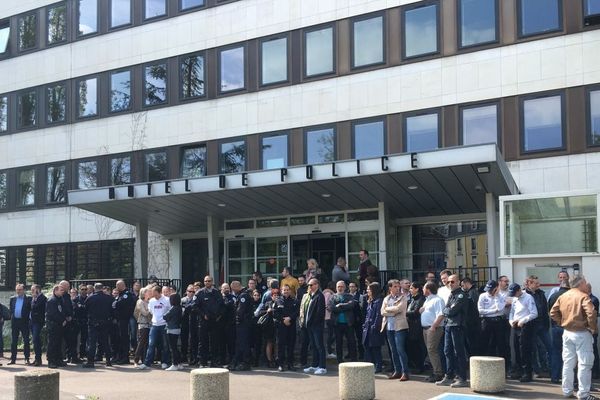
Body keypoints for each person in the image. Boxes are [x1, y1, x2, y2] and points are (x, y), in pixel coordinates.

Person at [550, 275, 597, 400]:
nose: (586, 284)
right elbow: (591, 313)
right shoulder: (583, 296)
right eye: (585, 282)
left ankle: (567, 391)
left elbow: (553, 312)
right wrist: (592, 328)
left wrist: (562, 323)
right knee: (584, 364)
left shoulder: (563, 295)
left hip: (567, 332)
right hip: (582, 332)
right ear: (580, 283)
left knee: (568, 363)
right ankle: (584, 394)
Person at [436, 274, 469, 388]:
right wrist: (447, 310)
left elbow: (451, 311)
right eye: (449, 282)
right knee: (447, 351)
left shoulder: (461, 295)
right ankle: (449, 376)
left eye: (452, 282)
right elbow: (445, 309)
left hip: (457, 326)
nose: (450, 284)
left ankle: (462, 377)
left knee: (458, 352)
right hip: (448, 325)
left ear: (458, 282)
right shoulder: (452, 295)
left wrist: (447, 310)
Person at [508, 283, 538, 382]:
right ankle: (518, 371)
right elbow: (512, 312)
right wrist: (511, 321)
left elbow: (534, 313)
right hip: (515, 325)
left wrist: (523, 320)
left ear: (519, 290)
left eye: (514, 293)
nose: (514, 295)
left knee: (524, 350)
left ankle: (527, 373)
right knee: (515, 348)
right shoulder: (515, 299)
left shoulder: (528, 298)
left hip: (524, 326)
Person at [381, 279, 410, 381]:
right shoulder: (386, 298)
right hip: (389, 327)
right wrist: (391, 310)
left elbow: (399, 309)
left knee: (400, 350)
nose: (398, 288)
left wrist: (389, 309)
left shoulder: (403, 297)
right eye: (395, 287)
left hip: (400, 327)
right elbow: (382, 312)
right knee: (393, 351)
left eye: (398, 286)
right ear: (390, 288)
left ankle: (405, 372)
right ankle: (397, 371)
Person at [478, 280, 509, 373]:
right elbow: (480, 310)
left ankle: (503, 369)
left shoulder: (501, 296)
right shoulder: (482, 296)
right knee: (485, 343)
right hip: (487, 321)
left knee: (501, 344)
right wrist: (493, 311)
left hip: (498, 321)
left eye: (491, 289)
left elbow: (500, 309)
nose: (489, 291)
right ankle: (484, 367)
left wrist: (495, 296)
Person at [137, 285, 171, 370]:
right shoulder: (152, 301)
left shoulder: (167, 300)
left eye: (156, 294)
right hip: (154, 324)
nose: (154, 296)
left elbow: (170, 310)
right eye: (153, 294)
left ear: (160, 293)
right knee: (151, 344)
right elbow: (151, 311)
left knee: (165, 344)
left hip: (164, 324)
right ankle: (147, 363)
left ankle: (165, 362)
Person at [194, 275, 224, 368]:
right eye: (206, 281)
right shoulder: (200, 293)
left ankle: (214, 361)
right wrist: (203, 315)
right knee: (203, 342)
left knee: (215, 342)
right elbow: (195, 306)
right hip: (204, 321)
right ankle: (203, 362)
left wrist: (219, 316)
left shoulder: (217, 292)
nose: (207, 282)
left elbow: (222, 306)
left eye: (209, 281)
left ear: (212, 282)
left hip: (215, 321)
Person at [525, 275, 552, 377]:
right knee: (533, 349)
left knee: (548, 347)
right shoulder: (524, 294)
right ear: (529, 283)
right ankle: (536, 370)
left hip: (542, 325)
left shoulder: (541, 293)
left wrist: (546, 324)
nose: (538, 285)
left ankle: (548, 368)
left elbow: (545, 310)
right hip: (531, 325)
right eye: (536, 283)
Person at [83, 282, 114, 368]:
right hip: (105, 322)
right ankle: (108, 360)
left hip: (93, 322)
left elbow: (86, 309)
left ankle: (90, 361)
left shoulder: (90, 298)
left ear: (94, 288)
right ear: (102, 288)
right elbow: (112, 310)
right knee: (105, 342)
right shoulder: (109, 298)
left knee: (92, 342)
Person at [420, 282, 446, 382]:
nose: (422, 289)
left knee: (432, 350)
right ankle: (436, 371)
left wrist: (434, 326)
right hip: (426, 328)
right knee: (430, 350)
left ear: (428, 289)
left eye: (424, 288)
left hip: (433, 328)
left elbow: (440, 315)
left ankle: (438, 373)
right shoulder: (427, 300)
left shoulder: (437, 300)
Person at [301, 278, 327, 375]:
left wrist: (313, 322)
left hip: (316, 326)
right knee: (314, 346)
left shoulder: (320, 296)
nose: (309, 287)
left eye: (311, 285)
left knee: (319, 346)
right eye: (309, 285)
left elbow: (320, 313)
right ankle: (315, 365)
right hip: (309, 326)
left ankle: (322, 366)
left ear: (317, 285)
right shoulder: (311, 296)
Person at [328, 281, 357, 364]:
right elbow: (331, 308)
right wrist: (344, 306)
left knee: (351, 341)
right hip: (337, 323)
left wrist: (340, 305)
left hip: (348, 323)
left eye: (341, 286)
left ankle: (353, 359)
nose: (340, 288)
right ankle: (339, 359)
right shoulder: (332, 297)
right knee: (338, 342)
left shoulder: (349, 296)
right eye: (338, 287)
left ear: (345, 287)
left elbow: (351, 305)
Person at [548, 279, 570, 384]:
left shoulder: (553, 296)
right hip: (569, 327)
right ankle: (569, 378)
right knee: (570, 353)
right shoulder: (571, 296)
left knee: (556, 352)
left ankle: (555, 376)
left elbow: (549, 311)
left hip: (556, 327)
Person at [273, 284, 299, 371]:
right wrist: (283, 320)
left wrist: (289, 318)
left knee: (291, 346)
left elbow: (297, 312)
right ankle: (280, 364)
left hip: (291, 326)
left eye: (288, 290)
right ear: (281, 291)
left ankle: (290, 364)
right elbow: (275, 313)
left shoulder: (294, 300)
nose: (286, 291)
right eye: (284, 290)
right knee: (281, 346)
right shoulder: (278, 301)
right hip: (281, 326)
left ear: (290, 291)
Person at [229, 281, 254, 371]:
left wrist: (237, 318)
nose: (233, 291)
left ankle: (246, 362)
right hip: (244, 323)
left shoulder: (243, 295)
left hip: (243, 323)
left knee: (244, 343)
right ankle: (238, 361)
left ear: (236, 287)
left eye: (233, 289)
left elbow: (240, 310)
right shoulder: (244, 294)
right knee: (240, 343)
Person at [113, 280, 137, 364]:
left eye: (117, 285)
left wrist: (115, 303)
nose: (116, 287)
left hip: (124, 319)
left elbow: (120, 304)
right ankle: (120, 356)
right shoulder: (121, 294)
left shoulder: (127, 294)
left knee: (124, 339)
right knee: (119, 339)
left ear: (122, 285)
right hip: (119, 320)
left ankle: (125, 358)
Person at [362, 282, 384, 373]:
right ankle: (370, 365)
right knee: (367, 347)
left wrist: (375, 326)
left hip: (374, 328)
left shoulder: (378, 301)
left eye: (369, 289)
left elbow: (378, 315)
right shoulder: (370, 300)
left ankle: (378, 366)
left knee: (375, 348)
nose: (367, 291)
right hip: (367, 327)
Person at [254, 286, 277, 368]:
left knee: (277, 344)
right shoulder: (267, 303)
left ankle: (277, 360)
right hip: (269, 327)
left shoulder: (282, 302)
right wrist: (267, 311)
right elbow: (259, 312)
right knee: (269, 343)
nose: (276, 296)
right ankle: (270, 360)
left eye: (277, 295)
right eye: (274, 295)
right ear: (271, 296)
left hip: (279, 326)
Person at [9, 283, 32, 365]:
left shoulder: (28, 298)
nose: (18, 291)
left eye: (20, 289)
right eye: (17, 290)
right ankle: (13, 359)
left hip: (24, 322)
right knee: (13, 341)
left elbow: (30, 310)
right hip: (15, 322)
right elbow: (11, 309)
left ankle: (27, 358)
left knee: (26, 340)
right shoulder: (12, 298)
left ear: (24, 290)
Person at [406, 281, 426, 373]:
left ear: (417, 289)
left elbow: (415, 312)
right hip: (411, 326)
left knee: (419, 347)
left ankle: (420, 366)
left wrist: (404, 313)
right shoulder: (413, 299)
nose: (410, 290)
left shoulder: (420, 299)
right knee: (412, 346)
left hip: (417, 326)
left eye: (411, 288)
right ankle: (415, 364)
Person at [46, 285, 67, 369]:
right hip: (53, 325)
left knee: (59, 343)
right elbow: (52, 314)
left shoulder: (60, 300)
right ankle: (51, 361)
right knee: (52, 343)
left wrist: (64, 319)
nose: (63, 291)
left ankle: (58, 359)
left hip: (59, 325)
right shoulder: (52, 300)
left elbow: (62, 311)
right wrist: (61, 320)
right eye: (61, 290)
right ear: (55, 291)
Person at [461, 277, 481, 356]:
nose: (462, 287)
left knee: (472, 343)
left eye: (463, 285)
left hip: (472, 323)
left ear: (466, 283)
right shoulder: (473, 292)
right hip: (473, 322)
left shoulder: (472, 293)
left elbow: (473, 308)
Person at [163, 292, 183, 371]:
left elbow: (165, 316)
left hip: (171, 329)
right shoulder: (179, 307)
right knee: (175, 347)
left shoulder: (173, 308)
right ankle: (179, 363)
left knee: (173, 348)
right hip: (177, 328)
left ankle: (174, 364)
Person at [58, 280, 76, 364]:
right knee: (62, 341)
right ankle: (62, 357)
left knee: (70, 340)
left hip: (68, 321)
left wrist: (71, 316)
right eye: (67, 286)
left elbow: (69, 307)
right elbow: (62, 309)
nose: (69, 287)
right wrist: (65, 318)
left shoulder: (67, 296)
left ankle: (71, 357)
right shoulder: (61, 297)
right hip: (63, 321)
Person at [133, 287, 151, 367]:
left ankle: (144, 360)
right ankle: (136, 360)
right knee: (141, 342)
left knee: (146, 343)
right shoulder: (140, 302)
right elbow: (144, 313)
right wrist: (150, 309)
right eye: (147, 292)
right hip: (143, 323)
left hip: (149, 324)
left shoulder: (149, 301)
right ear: (143, 293)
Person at [30, 284, 47, 366]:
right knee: (35, 340)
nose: (31, 291)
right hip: (32, 321)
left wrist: (35, 298)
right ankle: (37, 358)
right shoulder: (34, 298)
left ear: (38, 290)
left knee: (36, 338)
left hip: (38, 322)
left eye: (33, 289)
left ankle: (38, 359)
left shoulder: (42, 298)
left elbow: (36, 307)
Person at [349, 281, 365, 360]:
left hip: (358, 319)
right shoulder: (347, 296)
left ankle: (361, 354)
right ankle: (351, 353)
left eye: (353, 286)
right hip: (350, 319)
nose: (351, 288)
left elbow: (361, 307)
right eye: (350, 287)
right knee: (350, 337)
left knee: (359, 337)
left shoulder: (360, 296)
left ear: (356, 288)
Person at [73, 284, 89, 361]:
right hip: (77, 321)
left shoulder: (89, 299)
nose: (84, 291)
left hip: (85, 321)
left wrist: (81, 307)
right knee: (75, 339)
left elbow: (88, 309)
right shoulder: (75, 299)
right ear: (79, 290)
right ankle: (76, 355)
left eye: (85, 289)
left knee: (84, 339)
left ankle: (82, 354)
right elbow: (75, 309)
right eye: (82, 289)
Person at [323, 281, 336, 359]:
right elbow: (326, 305)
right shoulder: (328, 294)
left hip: (328, 316)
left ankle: (330, 349)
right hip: (329, 316)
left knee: (330, 334)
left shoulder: (326, 293)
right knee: (330, 334)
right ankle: (329, 351)